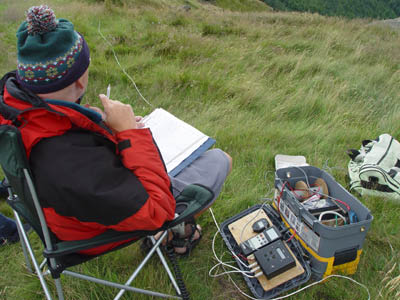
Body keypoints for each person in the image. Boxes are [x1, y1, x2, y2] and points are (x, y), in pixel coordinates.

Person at [0, 5, 231, 256]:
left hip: (71, 209)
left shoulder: (20, 110)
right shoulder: (65, 159)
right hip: (91, 230)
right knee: (219, 160)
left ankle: (175, 235)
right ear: (80, 79)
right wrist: (131, 134)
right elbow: (156, 209)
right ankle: (174, 238)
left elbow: (75, 146)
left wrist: (108, 127)